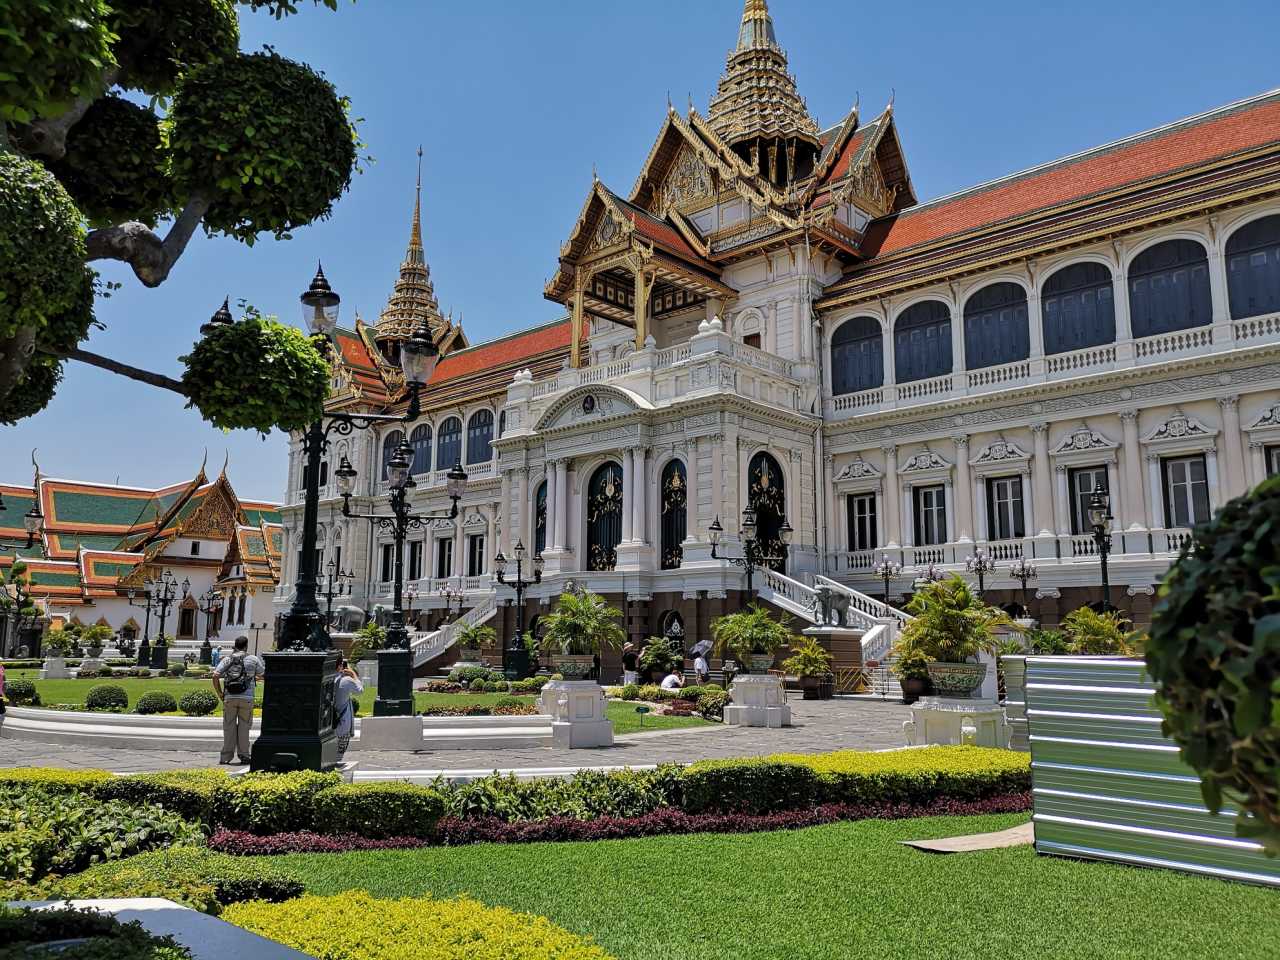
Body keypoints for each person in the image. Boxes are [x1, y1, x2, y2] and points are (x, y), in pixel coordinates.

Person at [211, 635, 264, 765]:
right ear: (246, 646)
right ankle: (244, 755)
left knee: (228, 727)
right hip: (247, 698)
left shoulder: (228, 659)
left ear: (235, 646)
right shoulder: (253, 659)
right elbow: (263, 674)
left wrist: (220, 693)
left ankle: (226, 757)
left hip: (229, 697)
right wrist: (253, 677)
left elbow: (215, 675)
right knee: (244, 727)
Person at [333, 657, 364, 760]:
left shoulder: (329, 678)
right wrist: (353, 675)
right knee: (339, 754)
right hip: (343, 723)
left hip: (329, 724)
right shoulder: (346, 680)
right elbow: (360, 690)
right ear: (340, 666)